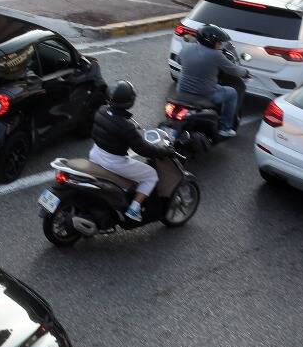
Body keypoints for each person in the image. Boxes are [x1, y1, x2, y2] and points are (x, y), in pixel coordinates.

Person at [88, 81, 174, 223]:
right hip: (113, 161)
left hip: (95, 154)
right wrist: (165, 151)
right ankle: (134, 209)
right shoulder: (125, 126)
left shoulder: (102, 110)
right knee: (151, 175)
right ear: (129, 102)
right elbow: (143, 149)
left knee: (132, 177)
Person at [175, 24, 245, 139]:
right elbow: (233, 70)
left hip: (181, 91)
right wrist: (246, 72)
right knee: (232, 92)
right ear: (210, 42)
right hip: (205, 94)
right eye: (219, 42)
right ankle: (225, 128)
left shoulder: (186, 48)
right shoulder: (216, 55)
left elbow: (179, 61)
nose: (221, 45)